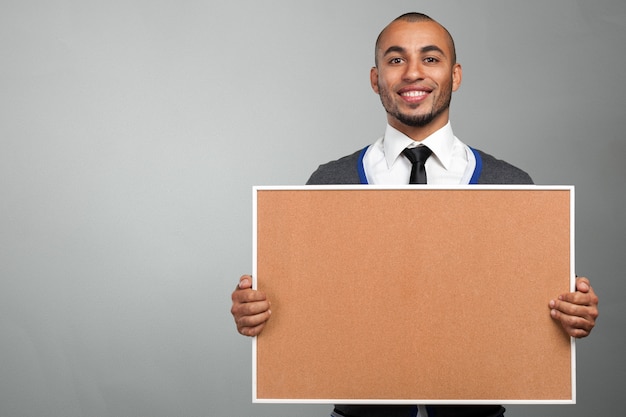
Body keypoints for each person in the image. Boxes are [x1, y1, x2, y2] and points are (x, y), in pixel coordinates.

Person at [230, 12, 599, 417]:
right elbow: (307, 310)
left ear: (455, 75)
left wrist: (569, 314)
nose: (412, 73)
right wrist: (262, 312)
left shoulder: (511, 184)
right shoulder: (328, 182)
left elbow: (529, 315)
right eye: (395, 60)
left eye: (430, 58)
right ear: (375, 80)